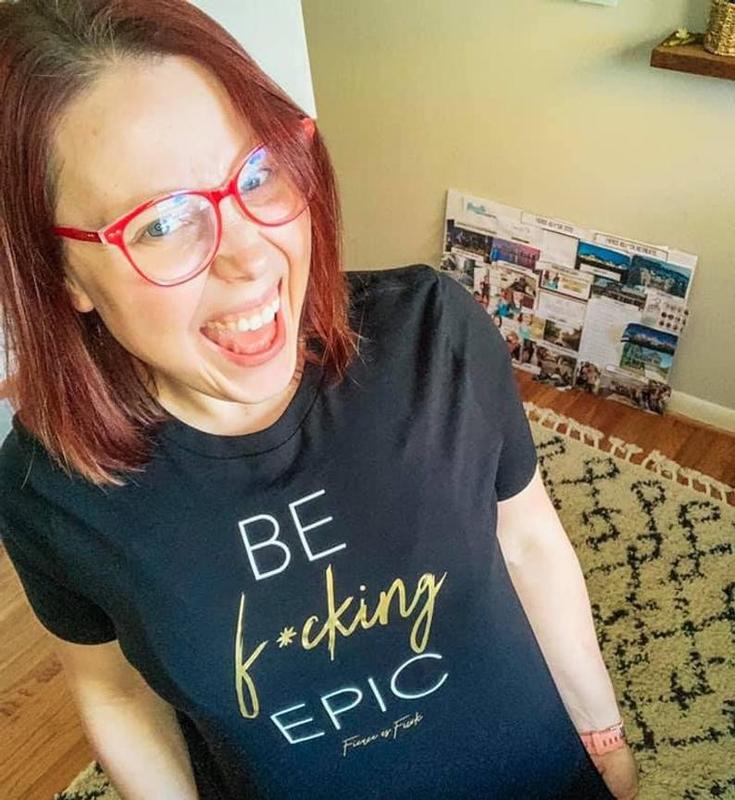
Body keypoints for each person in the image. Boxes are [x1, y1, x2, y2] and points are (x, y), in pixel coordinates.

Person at [0, 2, 639, 799]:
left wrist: (601, 736)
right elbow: (116, 692)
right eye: (161, 223)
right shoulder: (47, 491)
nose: (249, 256)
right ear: (58, 272)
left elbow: (528, 544)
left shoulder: (431, 336)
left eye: (257, 173)